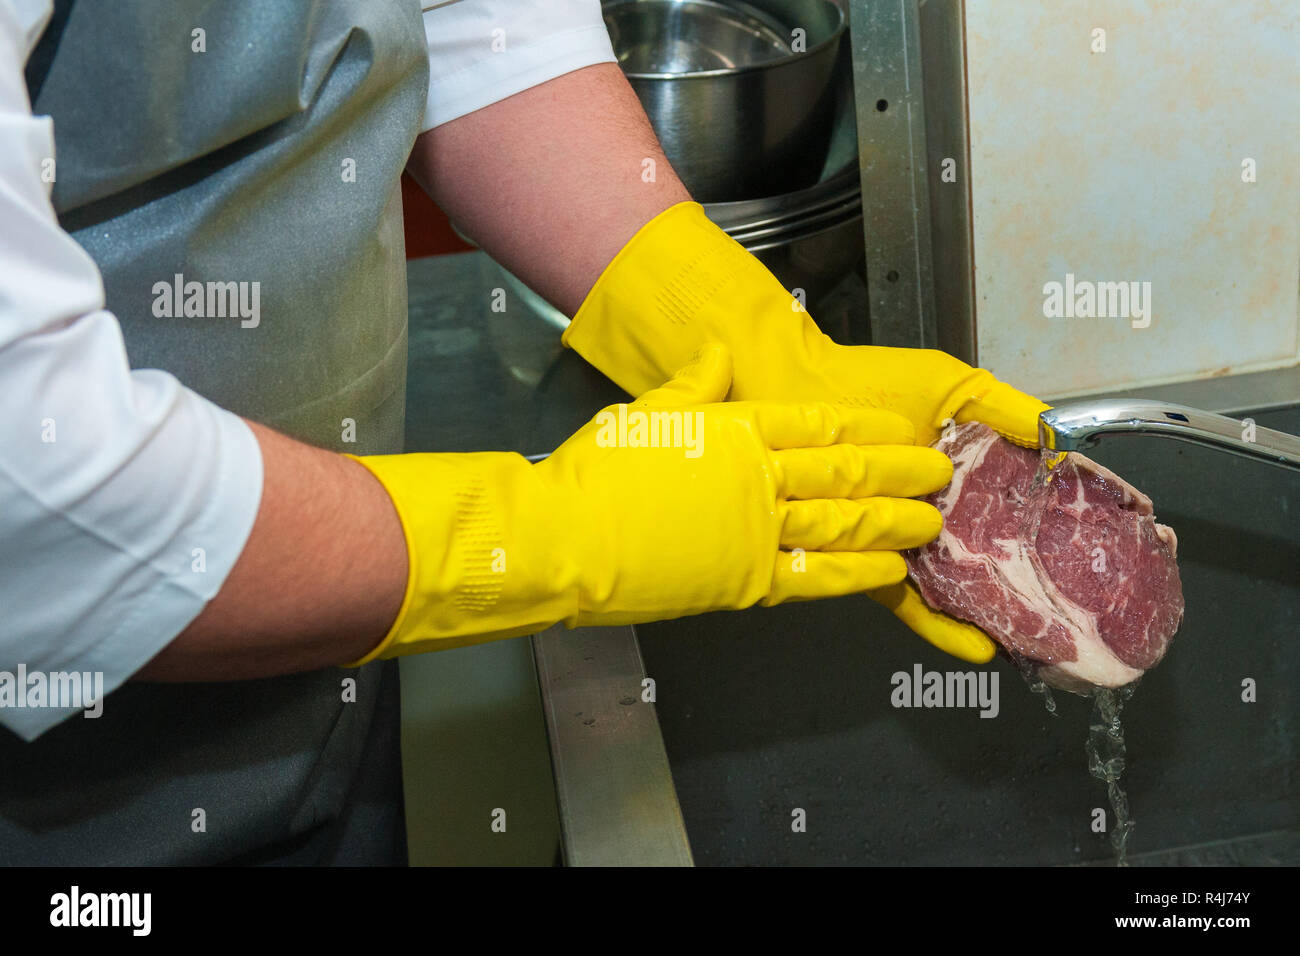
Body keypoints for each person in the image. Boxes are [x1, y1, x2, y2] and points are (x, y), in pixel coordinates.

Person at [0, 0, 1045, 864]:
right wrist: (547, 536)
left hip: (321, 661)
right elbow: (39, 481)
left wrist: (737, 327)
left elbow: (469, 22)